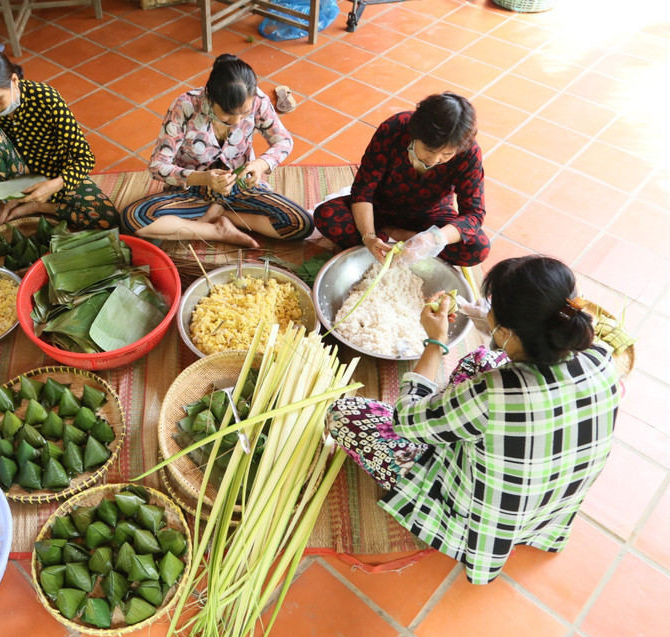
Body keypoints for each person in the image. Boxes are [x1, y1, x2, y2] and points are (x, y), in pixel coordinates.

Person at [326, 255, 619, 584]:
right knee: (484, 357)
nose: (487, 308)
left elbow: (406, 421)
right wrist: (489, 323)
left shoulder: (493, 393)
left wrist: (434, 343)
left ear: (508, 332)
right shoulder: (601, 357)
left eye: (491, 306)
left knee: (344, 414)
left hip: (477, 519)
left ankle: (441, 507)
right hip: (544, 509)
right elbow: (508, 363)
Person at [120, 54, 312, 248]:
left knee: (301, 224)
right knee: (134, 218)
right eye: (227, 114)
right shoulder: (185, 107)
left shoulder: (258, 100)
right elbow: (157, 166)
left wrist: (259, 165)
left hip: (239, 186)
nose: (237, 121)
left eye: (244, 114)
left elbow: (284, 141)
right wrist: (203, 179)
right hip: (193, 191)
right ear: (209, 97)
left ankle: (223, 214)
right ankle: (216, 231)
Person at [0, 45, 119, 230]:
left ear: (14, 80)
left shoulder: (46, 99)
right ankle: (11, 199)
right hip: (15, 178)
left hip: (55, 174)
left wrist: (54, 185)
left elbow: (85, 159)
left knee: (106, 218)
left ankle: (37, 206)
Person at [314, 92, 489, 267]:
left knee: (478, 247)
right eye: (429, 149)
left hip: (430, 216)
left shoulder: (468, 152)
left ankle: (397, 236)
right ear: (415, 134)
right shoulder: (395, 128)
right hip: (379, 209)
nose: (434, 160)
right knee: (327, 215)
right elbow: (362, 191)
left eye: (446, 154)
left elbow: (474, 214)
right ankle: (384, 238)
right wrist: (368, 236)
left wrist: (434, 239)